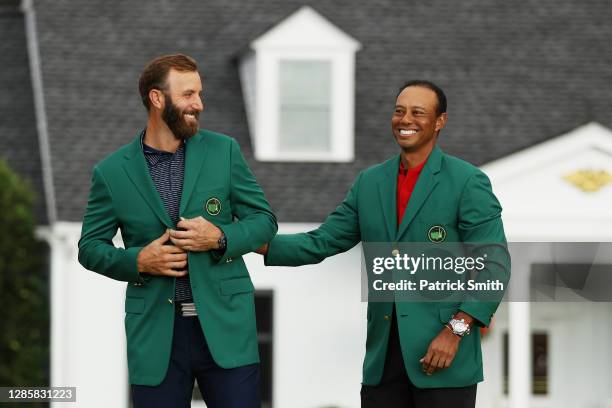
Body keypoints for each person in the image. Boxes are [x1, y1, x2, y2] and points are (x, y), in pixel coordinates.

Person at [258, 80, 510, 408]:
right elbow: (322, 241)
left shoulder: (467, 182)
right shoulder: (370, 183)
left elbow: (495, 264)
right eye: (399, 111)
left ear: (439, 121)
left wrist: (456, 330)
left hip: (444, 357)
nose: (405, 119)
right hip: (382, 363)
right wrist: (242, 240)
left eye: (418, 112)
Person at [78, 54, 276, 408]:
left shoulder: (224, 151)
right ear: (157, 98)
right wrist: (138, 260)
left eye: (199, 94)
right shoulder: (111, 172)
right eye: (187, 95)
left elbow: (263, 220)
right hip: (156, 334)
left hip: (227, 326)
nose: (198, 104)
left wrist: (219, 238)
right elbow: (90, 247)